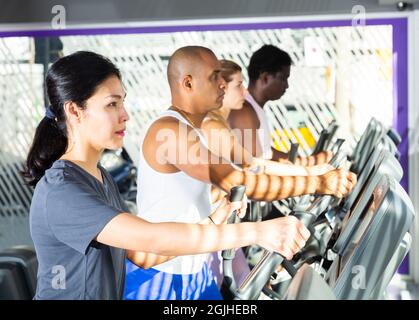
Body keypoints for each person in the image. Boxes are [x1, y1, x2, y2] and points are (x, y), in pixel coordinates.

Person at [23, 51, 311, 300]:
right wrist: (257, 232)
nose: (125, 115)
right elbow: (151, 239)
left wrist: (211, 221)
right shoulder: (62, 190)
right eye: (112, 104)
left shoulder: (99, 177)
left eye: (123, 103)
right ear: (74, 110)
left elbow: (141, 255)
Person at [125, 46, 356, 300]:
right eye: (214, 77)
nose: (222, 84)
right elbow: (238, 179)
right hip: (162, 278)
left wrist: (218, 212)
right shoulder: (169, 130)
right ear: (187, 83)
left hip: (194, 270)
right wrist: (317, 182)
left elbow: (249, 166)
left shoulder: (194, 130)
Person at [201, 59, 334, 177]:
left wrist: (307, 168)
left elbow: (257, 161)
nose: (245, 91)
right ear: (222, 88)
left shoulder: (218, 122)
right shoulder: (213, 126)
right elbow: (252, 165)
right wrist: (309, 172)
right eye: (238, 85)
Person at [228, 44, 331, 166]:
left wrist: (301, 162)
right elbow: (254, 168)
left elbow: (265, 152)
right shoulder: (243, 112)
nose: (286, 86)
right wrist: (308, 167)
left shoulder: (254, 108)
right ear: (265, 77)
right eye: (283, 78)